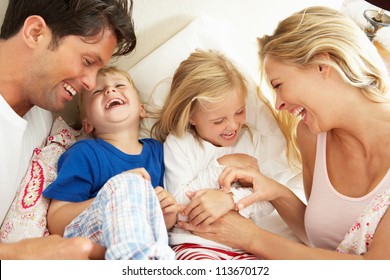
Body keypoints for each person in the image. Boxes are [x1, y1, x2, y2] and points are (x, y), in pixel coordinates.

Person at [180, 6, 390, 259]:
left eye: (278, 85)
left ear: (323, 64)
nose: (278, 104)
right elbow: (324, 240)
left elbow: (378, 269)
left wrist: (252, 237)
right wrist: (276, 192)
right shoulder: (312, 136)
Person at [0, 0, 137, 259]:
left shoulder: (42, 107)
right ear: (35, 33)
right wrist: (20, 255)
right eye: (87, 61)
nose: (90, 83)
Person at [151, 49, 295, 260]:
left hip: (244, 247)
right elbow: (179, 205)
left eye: (239, 111)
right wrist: (221, 165)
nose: (233, 125)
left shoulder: (251, 141)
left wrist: (230, 199)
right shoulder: (180, 143)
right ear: (192, 116)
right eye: (218, 120)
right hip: (195, 243)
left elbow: (267, 199)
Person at [43, 66, 177, 259]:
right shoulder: (85, 154)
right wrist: (116, 190)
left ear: (142, 109)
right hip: (94, 243)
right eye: (98, 91)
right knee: (129, 185)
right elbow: (57, 222)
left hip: (150, 243)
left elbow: (163, 218)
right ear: (87, 123)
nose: (110, 90)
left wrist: (167, 216)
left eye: (119, 85)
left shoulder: (159, 151)